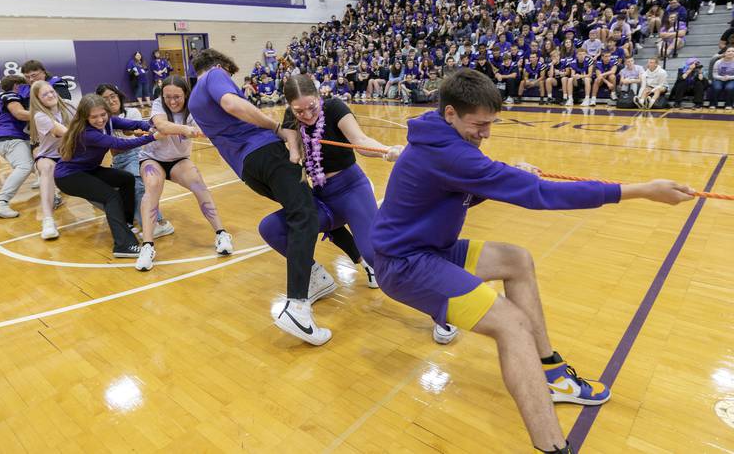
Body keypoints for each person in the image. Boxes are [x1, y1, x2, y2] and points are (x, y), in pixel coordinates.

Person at [370, 69, 695, 453]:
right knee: (512, 325)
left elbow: (459, 189)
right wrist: (641, 190)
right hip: (406, 263)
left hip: (431, 248)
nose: (486, 133)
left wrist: (505, 176)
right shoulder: (449, 152)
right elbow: (541, 195)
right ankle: (553, 447)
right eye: (480, 124)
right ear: (451, 113)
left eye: (491, 123)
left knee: (516, 260)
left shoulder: (441, 133)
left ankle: (553, 375)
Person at [189, 48, 331, 346]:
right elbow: (232, 103)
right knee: (305, 215)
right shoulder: (215, 75)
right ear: (220, 64)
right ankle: (297, 306)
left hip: (248, 169)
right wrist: (276, 127)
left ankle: (317, 275)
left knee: (303, 207)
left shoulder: (193, 100)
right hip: (266, 152)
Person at [258, 75, 402, 291]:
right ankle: (316, 275)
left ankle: (436, 298)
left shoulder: (334, 107)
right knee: (270, 228)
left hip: (351, 190)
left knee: (375, 255)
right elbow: (292, 147)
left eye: (312, 107)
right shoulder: (290, 116)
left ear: (318, 96)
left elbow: (360, 141)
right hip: (320, 199)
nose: (307, 115)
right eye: (299, 111)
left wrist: (386, 150)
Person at [136, 75, 233, 271]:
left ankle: (221, 234)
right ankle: (147, 246)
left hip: (178, 160)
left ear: (186, 94)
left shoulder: (193, 108)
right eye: (168, 97)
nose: (172, 102)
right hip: (152, 159)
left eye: (177, 97)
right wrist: (186, 129)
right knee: (152, 187)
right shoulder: (158, 104)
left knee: (198, 184)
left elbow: (205, 128)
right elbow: (162, 126)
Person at [55, 94, 163, 257]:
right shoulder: (87, 133)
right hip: (68, 177)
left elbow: (134, 123)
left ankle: (126, 222)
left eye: (103, 115)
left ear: (107, 112)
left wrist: (154, 126)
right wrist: (152, 137)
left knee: (126, 179)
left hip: (88, 169)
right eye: (94, 117)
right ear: (85, 117)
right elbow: (120, 144)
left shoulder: (109, 121)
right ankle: (123, 245)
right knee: (111, 197)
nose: (100, 120)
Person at [97, 83, 173, 239]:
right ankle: (130, 219)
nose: (111, 100)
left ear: (119, 96)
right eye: (105, 98)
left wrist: (140, 132)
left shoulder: (131, 112)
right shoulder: (102, 119)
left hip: (134, 154)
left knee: (137, 185)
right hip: (117, 161)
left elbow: (134, 132)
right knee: (110, 194)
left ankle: (157, 223)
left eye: (113, 96)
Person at [29, 80, 75, 239]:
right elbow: (65, 132)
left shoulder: (69, 106)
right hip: (50, 156)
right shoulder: (40, 116)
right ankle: (48, 220)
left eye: (51, 91)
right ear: (38, 100)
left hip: (71, 155)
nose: (50, 95)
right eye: (44, 94)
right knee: (47, 168)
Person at [0, 75, 33, 219]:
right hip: (11, 139)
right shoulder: (9, 95)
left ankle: (52, 194)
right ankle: (0, 202)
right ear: (16, 86)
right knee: (25, 166)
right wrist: (46, 114)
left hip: (15, 139)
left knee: (42, 165)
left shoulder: (16, 98)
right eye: (24, 86)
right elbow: (19, 114)